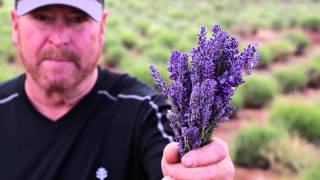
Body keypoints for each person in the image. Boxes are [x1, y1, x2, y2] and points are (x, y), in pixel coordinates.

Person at [0, 0, 234, 179]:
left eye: (77, 19)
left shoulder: (144, 113)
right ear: (14, 25)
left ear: (102, 27)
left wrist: (199, 166)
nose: (59, 39)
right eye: (43, 17)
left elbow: (173, 159)